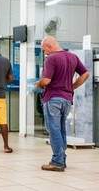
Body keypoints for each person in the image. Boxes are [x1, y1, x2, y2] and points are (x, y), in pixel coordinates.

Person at [35, 36, 89, 172]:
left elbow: (46, 81)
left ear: (49, 46)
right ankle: (62, 159)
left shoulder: (51, 58)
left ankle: (57, 161)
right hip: (67, 99)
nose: (44, 52)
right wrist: (72, 87)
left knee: (53, 130)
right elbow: (85, 74)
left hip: (53, 98)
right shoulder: (72, 57)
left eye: (44, 49)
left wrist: (38, 83)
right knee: (61, 129)